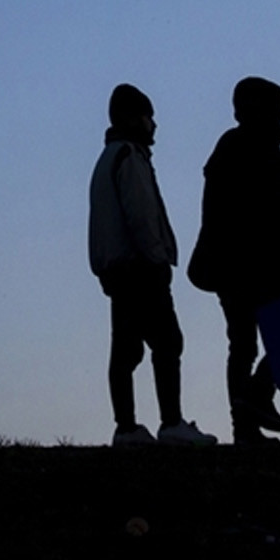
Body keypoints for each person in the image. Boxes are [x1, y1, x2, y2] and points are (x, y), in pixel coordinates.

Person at [89, 84, 216, 447]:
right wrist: (157, 258)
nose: (154, 124)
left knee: (126, 349)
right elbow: (141, 214)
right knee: (167, 341)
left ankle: (126, 427)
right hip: (139, 267)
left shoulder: (108, 159)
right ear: (132, 118)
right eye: (149, 116)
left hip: (117, 270)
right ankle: (171, 423)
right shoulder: (129, 156)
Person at [190, 76, 280, 444]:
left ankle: (247, 420)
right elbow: (261, 198)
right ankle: (254, 402)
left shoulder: (237, 146)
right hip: (253, 264)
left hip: (237, 265)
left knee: (245, 344)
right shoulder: (246, 147)